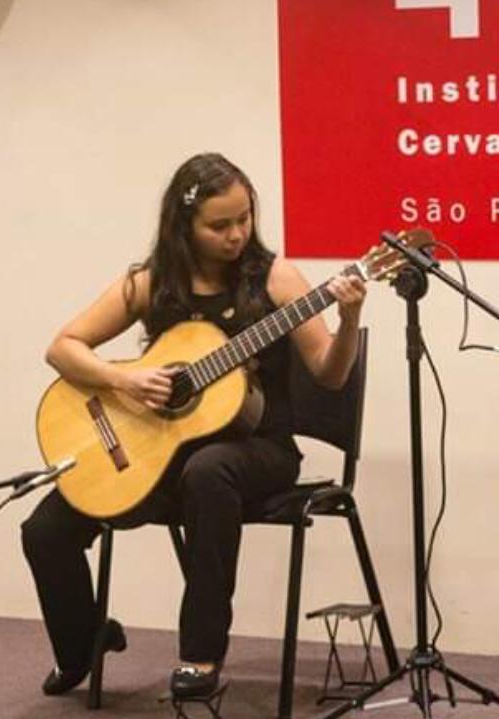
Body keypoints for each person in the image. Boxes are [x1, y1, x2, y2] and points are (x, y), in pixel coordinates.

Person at [21, 152, 366, 699]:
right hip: (160, 452)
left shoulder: (277, 279)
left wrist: (347, 317)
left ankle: (201, 655)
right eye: (220, 225)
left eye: (244, 218)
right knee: (44, 530)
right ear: (184, 226)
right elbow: (62, 348)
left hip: (257, 449)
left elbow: (329, 373)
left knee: (209, 472)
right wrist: (122, 380)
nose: (237, 234)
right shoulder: (152, 281)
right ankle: (82, 642)